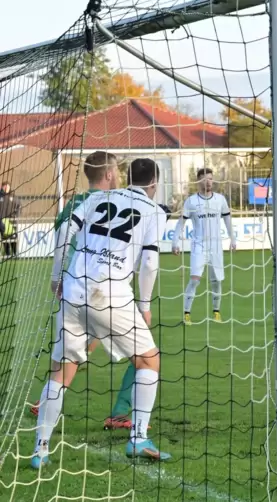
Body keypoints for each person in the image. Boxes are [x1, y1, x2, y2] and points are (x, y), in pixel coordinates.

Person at [32, 158, 170, 469]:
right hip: (111, 293)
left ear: (126, 177)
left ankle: (40, 449)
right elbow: (149, 263)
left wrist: (57, 276)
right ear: (153, 184)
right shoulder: (153, 210)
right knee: (149, 360)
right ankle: (137, 438)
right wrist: (144, 306)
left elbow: (66, 228)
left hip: (73, 289)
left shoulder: (98, 198)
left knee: (61, 372)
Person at [30, 151, 141, 430]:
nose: (117, 175)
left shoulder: (73, 203)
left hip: (72, 290)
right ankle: (122, 414)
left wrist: (57, 277)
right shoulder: (110, 202)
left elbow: (61, 238)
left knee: (74, 354)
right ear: (108, 174)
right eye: (115, 170)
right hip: (100, 289)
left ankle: (46, 408)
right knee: (146, 355)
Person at [172, 168, 236, 324]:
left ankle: (216, 313)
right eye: (205, 179)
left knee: (217, 281)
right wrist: (175, 242)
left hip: (216, 246)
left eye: (211, 178)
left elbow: (227, 220)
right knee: (194, 280)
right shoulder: (191, 201)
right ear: (198, 181)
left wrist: (232, 238)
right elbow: (181, 223)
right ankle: (187, 313)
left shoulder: (220, 199)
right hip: (198, 246)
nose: (209, 182)